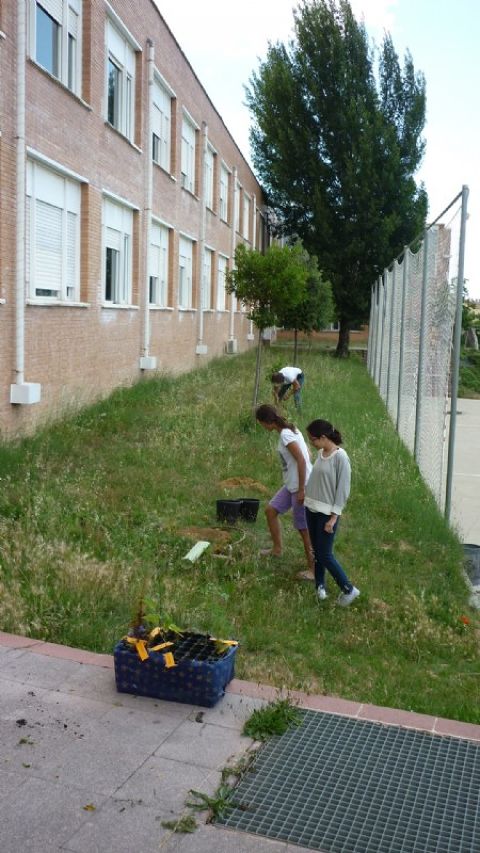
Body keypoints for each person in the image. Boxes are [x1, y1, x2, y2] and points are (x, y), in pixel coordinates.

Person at [304, 418, 360, 606]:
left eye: (313, 439)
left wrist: (334, 517)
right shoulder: (321, 453)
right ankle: (320, 586)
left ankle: (348, 589)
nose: (311, 443)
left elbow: (343, 489)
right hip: (311, 508)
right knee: (316, 551)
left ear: (323, 437)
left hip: (327, 513)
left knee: (325, 554)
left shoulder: (341, 457)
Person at [255, 404, 314, 579]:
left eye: (261, 424)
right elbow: (308, 454)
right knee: (270, 510)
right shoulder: (291, 430)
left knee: (304, 529)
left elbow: (302, 460)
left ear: (267, 422)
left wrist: (302, 489)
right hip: (291, 484)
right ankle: (277, 549)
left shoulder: (286, 435)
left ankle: (313, 570)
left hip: (300, 487)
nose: (262, 427)